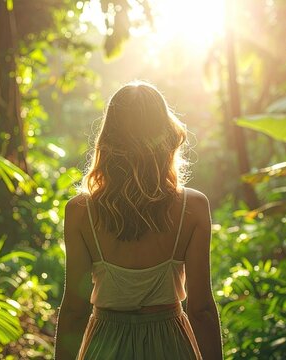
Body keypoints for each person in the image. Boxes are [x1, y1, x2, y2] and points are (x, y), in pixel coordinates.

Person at [54, 81, 223, 359]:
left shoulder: (79, 211)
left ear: (108, 138)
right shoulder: (192, 207)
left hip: (105, 347)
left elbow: (75, 309)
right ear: (166, 134)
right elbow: (201, 309)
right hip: (171, 346)